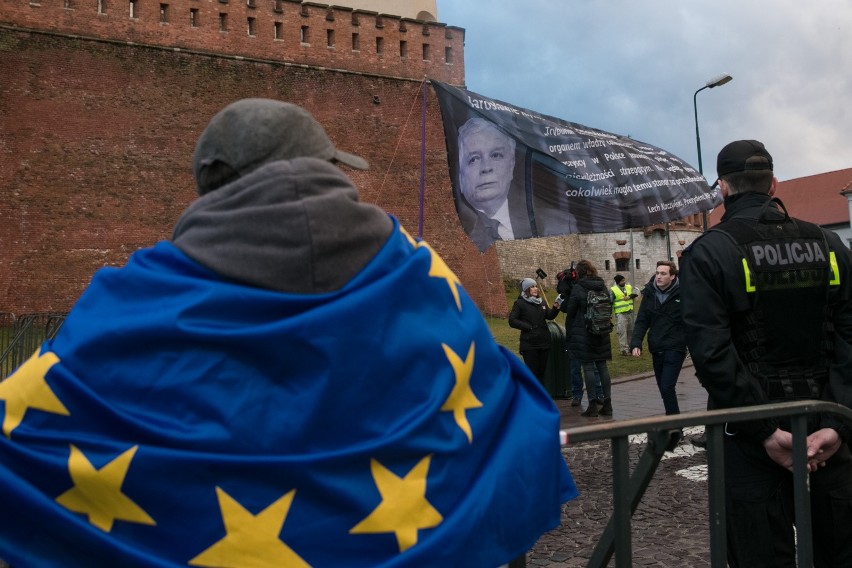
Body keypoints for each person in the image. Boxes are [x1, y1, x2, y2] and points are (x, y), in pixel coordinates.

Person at [0, 99, 578, 566]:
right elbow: (495, 393)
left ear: (210, 187)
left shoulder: (130, 298)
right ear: (326, 171)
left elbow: (32, 424)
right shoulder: (417, 274)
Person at [680, 139, 852, 566]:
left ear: (722, 188)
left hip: (749, 435)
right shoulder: (830, 244)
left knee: (758, 554)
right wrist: (835, 424)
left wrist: (766, 433)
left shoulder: (709, 252)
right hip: (827, 425)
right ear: (774, 183)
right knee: (840, 550)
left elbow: (712, 355)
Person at [456, 117, 531, 250]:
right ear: (461, 176)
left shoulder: (554, 224)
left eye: (496, 155)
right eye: (474, 159)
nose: (486, 168)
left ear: (511, 164)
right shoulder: (455, 233)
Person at [629, 261, 686, 418]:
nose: (659, 276)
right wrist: (636, 343)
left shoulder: (683, 292)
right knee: (663, 388)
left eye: (663, 273)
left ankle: (675, 426)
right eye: (657, 273)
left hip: (675, 346)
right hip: (656, 345)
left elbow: (693, 319)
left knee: (667, 386)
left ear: (672, 276)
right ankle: (673, 419)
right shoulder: (649, 292)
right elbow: (642, 320)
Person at [562, 259, 613, 418]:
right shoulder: (602, 285)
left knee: (588, 367)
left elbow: (570, 311)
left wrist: (570, 332)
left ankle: (591, 405)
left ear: (579, 272)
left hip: (584, 332)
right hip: (602, 331)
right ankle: (607, 404)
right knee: (603, 367)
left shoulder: (578, 288)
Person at [508, 278, 559, 386]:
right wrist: (528, 327)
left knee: (541, 373)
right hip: (529, 344)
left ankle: (541, 399)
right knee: (532, 374)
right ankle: (532, 399)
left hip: (544, 343)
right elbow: (512, 320)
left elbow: (549, 316)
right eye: (532, 287)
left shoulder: (542, 302)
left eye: (535, 286)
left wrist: (555, 308)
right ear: (526, 289)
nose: (535, 288)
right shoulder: (520, 303)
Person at [610, 274, 636, 356]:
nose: (624, 282)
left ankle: (631, 348)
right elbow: (610, 302)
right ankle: (624, 350)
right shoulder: (613, 290)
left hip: (630, 312)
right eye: (622, 281)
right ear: (618, 282)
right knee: (622, 332)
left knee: (631, 331)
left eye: (624, 280)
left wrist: (630, 296)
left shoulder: (628, 287)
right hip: (620, 314)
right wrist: (609, 314)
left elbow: (637, 291)